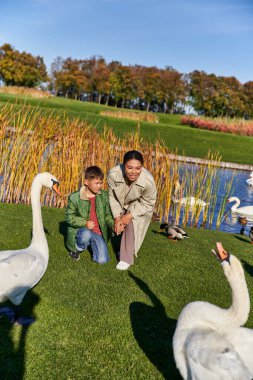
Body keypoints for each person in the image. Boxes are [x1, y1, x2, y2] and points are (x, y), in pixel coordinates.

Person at [107, 150, 157, 270]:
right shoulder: (113, 174)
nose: (134, 172)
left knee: (131, 221)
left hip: (140, 205)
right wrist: (117, 218)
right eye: (130, 168)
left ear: (142, 167)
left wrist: (128, 216)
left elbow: (148, 203)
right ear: (124, 166)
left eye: (138, 168)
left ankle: (126, 258)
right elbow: (112, 197)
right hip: (120, 202)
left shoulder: (148, 181)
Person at [66, 166, 114, 263]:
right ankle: (77, 249)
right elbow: (69, 217)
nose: (99, 186)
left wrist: (114, 225)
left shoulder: (104, 196)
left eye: (101, 183)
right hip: (82, 230)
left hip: (97, 232)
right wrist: (85, 223)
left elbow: (108, 216)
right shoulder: (74, 197)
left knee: (102, 260)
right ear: (86, 182)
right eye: (96, 183)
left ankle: (94, 244)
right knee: (86, 234)